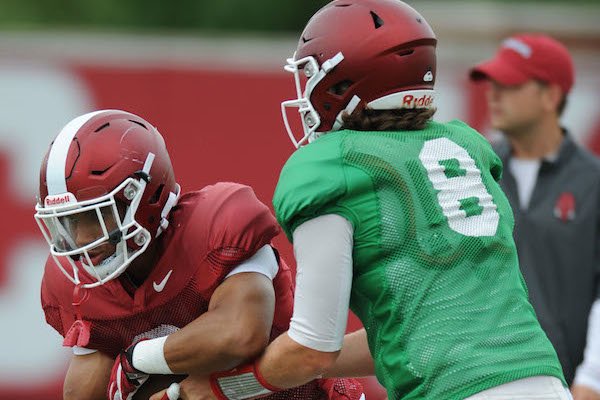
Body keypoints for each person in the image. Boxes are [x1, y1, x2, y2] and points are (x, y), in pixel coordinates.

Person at [175, 1, 573, 399]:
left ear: (343, 81)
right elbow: (398, 331)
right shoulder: (464, 144)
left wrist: (227, 387)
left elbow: (312, 348)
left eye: (311, 74)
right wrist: (272, 361)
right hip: (545, 381)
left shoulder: (331, 166)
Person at [34, 109, 364, 400]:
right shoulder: (76, 287)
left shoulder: (215, 228)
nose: (81, 239)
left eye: (93, 217)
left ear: (144, 197)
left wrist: (136, 359)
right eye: (68, 223)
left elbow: (239, 335)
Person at [470, 34, 600, 400]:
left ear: (551, 96)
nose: (493, 94)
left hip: (568, 387)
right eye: (491, 83)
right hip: (482, 384)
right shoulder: (472, 172)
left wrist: (592, 380)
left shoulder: (594, 182)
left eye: (509, 84)